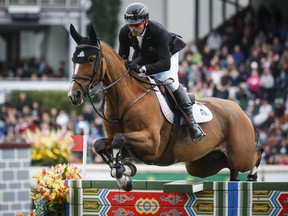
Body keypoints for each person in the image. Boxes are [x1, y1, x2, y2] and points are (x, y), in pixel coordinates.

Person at [118, 2, 205, 143]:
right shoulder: (124, 32)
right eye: (130, 25)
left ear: (145, 21)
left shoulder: (158, 31)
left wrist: (142, 69)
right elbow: (122, 58)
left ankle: (192, 124)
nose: (132, 29)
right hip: (145, 54)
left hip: (168, 55)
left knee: (169, 81)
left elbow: (165, 64)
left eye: (136, 25)